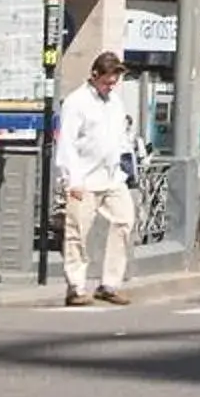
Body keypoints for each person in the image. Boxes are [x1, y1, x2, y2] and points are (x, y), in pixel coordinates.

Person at [53, 53, 141, 307]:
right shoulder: (76, 102)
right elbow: (67, 143)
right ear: (94, 76)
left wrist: (126, 167)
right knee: (77, 233)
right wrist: (72, 180)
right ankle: (76, 287)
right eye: (107, 81)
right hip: (84, 179)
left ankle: (110, 284)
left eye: (114, 81)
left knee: (125, 221)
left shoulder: (114, 102)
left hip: (112, 176)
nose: (111, 86)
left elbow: (121, 136)